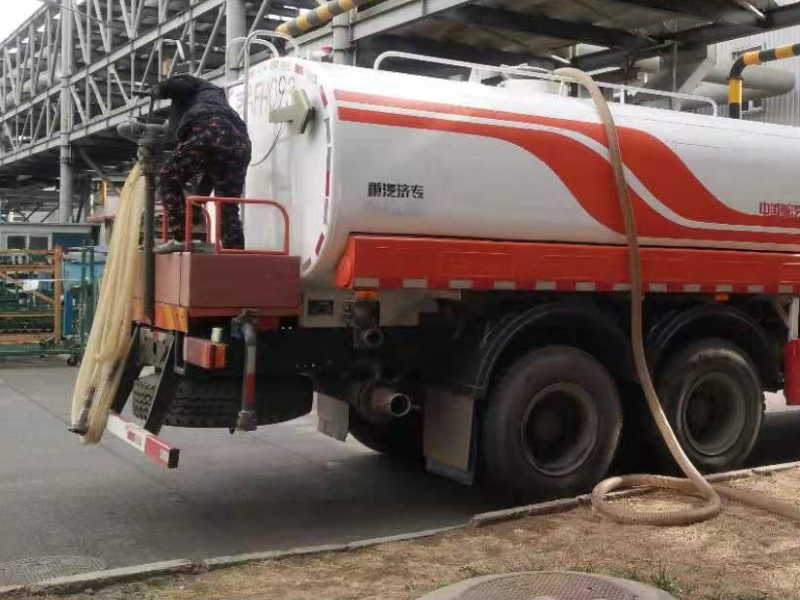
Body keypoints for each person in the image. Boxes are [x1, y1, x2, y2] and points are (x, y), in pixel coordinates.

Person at [154, 75, 251, 253]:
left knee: (168, 176)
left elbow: (180, 84)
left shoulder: (197, 86)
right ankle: (236, 255)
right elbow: (210, 175)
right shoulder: (218, 100)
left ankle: (180, 237)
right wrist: (196, 207)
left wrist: (161, 88)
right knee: (227, 205)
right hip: (239, 141)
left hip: (208, 129)